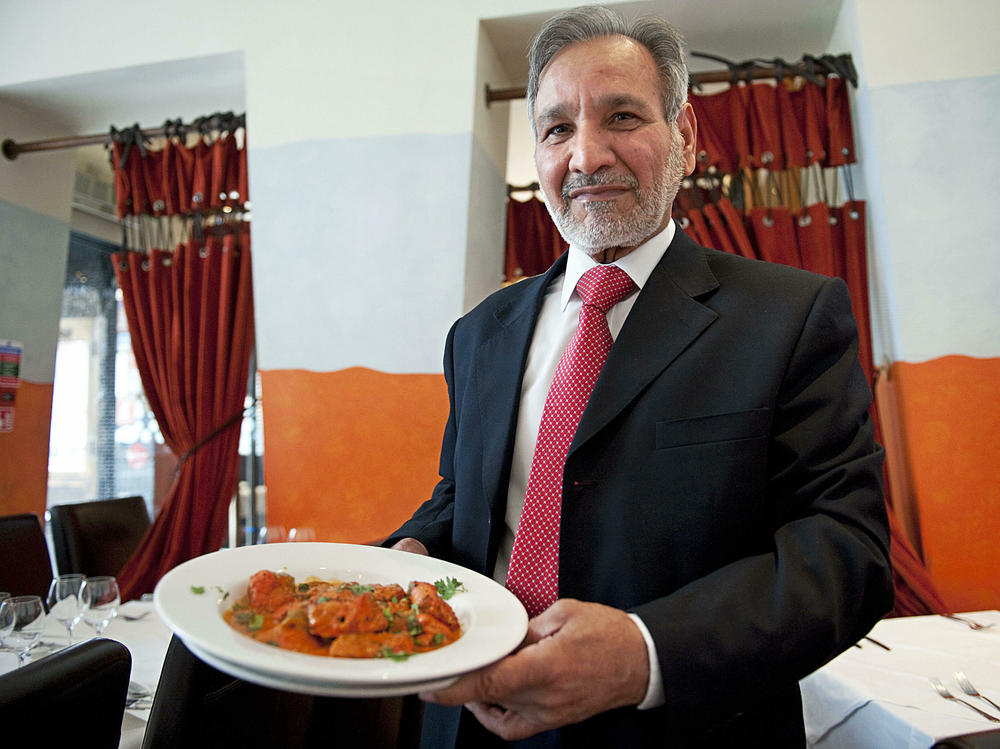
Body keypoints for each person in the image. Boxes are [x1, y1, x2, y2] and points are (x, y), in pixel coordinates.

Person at [385, 6, 893, 747]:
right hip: (466, 721)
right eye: (558, 129)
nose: (586, 156)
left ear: (684, 135)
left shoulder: (791, 317)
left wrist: (644, 651)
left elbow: (846, 551)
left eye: (621, 116)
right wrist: (416, 551)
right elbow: (466, 498)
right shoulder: (479, 335)